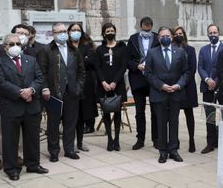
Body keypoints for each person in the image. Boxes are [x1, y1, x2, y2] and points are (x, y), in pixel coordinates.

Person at [0, 34, 49, 181]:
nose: (15, 47)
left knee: (32, 138)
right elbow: (0, 83)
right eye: (11, 44)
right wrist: (21, 92)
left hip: (31, 106)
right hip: (11, 107)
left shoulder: (31, 60)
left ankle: (33, 164)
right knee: (10, 139)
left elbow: (39, 78)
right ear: (5, 47)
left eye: (18, 44)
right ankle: (11, 168)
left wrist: (31, 90)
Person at [37, 22, 85, 162]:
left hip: (72, 93)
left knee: (70, 123)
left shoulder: (74, 50)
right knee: (53, 124)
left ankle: (69, 149)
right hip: (53, 94)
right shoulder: (46, 50)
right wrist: (45, 88)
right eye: (60, 32)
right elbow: (42, 73)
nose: (64, 34)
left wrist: (78, 87)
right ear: (53, 33)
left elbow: (81, 71)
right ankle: (53, 151)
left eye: (65, 31)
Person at [145, 26, 189, 163]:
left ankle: (173, 150)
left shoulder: (180, 52)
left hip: (176, 93)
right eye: (162, 36)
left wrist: (178, 85)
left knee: (174, 122)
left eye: (168, 36)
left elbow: (186, 72)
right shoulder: (152, 53)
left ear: (172, 37)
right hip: (159, 93)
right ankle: (163, 151)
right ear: (158, 38)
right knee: (161, 123)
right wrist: (162, 86)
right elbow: (148, 73)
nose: (165, 38)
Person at [94, 23, 128, 152]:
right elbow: (97, 67)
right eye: (107, 31)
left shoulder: (121, 47)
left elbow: (123, 66)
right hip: (104, 85)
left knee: (118, 111)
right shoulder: (100, 49)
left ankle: (117, 140)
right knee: (106, 112)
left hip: (117, 84)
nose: (110, 33)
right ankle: (109, 139)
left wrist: (114, 82)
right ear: (104, 33)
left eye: (112, 30)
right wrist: (103, 82)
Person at [127, 17, 159, 150]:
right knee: (139, 111)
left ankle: (156, 139)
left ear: (151, 27)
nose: (147, 30)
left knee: (155, 111)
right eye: (144, 28)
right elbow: (127, 59)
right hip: (137, 78)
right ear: (140, 27)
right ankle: (140, 139)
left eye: (149, 28)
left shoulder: (157, 38)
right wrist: (136, 66)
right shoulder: (133, 39)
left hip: (153, 79)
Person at [67, 23, 98, 152]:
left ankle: (79, 142)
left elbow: (91, 61)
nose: (75, 32)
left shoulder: (86, 46)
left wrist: (79, 61)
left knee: (81, 116)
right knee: (70, 117)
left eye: (78, 30)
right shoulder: (65, 46)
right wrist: (82, 61)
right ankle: (69, 143)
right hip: (68, 86)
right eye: (73, 30)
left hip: (84, 86)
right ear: (68, 32)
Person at [198, 24, 223, 154]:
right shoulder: (203, 50)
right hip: (207, 87)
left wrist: (216, 81)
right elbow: (200, 67)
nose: (213, 35)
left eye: (215, 32)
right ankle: (210, 143)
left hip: (222, 87)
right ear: (207, 34)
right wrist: (207, 80)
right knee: (210, 116)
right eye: (210, 33)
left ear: (219, 33)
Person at [173, 26, 198, 153]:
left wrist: (182, 82)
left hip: (188, 87)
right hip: (176, 87)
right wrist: (176, 83)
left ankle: (191, 140)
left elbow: (192, 69)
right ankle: (175, 141)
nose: (179, 35)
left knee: (189, 115)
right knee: (174, 115)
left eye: (181, 33)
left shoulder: (190, 50)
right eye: (176, 34)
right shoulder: (171, 50)